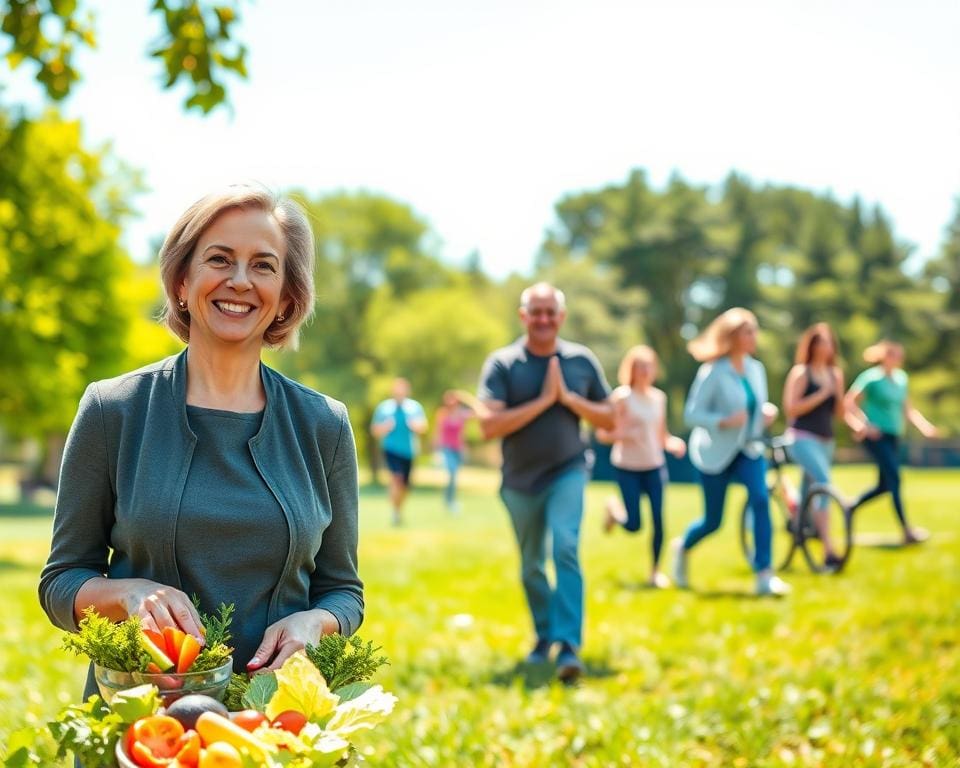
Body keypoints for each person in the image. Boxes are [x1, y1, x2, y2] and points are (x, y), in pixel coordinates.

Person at [39, 185, 363, 702]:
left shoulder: (323, 424)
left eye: (263, 265)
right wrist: (130, 595)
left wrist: (313, 624)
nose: (239, 280)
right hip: (140, 722)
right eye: (219, 259)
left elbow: (343, 593)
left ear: (286, 296)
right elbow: (60, 583)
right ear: (182, 280)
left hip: (278, 720)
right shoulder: (112, 409)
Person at [477, 282, 614, 682]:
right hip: (519, 482)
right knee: (532, 566)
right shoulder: (504, 363)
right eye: (535, 312)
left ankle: (569, 644)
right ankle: (544, 635)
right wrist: (543, 400)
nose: (543, 319)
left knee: (566, 546)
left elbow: (609, 418)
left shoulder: (581, 361)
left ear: (561, 317)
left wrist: (569, 400)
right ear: (523, 316)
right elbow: (488, 425)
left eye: (550, 312)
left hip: (568, 470)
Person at [674, 307, 790, 596]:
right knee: (713, 521)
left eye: (754, 330)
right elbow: (692, 414)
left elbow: (754, 404)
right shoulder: (713, 371)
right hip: (714, 453)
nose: (754, 337)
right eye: (748, 331)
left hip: (747, 448)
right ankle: (683, 547)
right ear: (732, 336)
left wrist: (765, 412)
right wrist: (722, 421)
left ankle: (764, 574)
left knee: (761, 499)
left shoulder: (756, 369)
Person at [596, 345, 686, 588]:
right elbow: (602, 434)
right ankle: (615, 511)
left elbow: (661, 435)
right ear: (631, 370)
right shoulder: (622, 397)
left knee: (659, 520)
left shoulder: (659, 398)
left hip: (654, 465)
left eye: (648, 366)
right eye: (640, 366)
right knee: (634, 525)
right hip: (627, 466)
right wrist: (622, 433)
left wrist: (672, 443)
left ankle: (655, 572)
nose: (645, 371)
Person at [844, 340, 940, 544]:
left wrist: (925, 427)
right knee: (895, 478)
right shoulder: (871, 378)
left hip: (894, 436)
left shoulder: (901, 379)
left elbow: (908, 410)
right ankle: (907, 530)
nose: (898, 359)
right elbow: (849, 402)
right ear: (885, 356)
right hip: (876, 437)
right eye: (894, 354)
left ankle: (851, 507)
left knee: (885, 485)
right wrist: (864, 424)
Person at [782, 323, 846, 567]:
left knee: (809, 491)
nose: (825, 347)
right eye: (820, 342)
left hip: (825, 440)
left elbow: (839, 413)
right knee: (823, 482)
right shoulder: (801, 372)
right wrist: (822, 393)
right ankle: (828, 549)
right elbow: (792, 408)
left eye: (829, 342)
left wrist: (838, 394)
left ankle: (797, 525)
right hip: (801, 438)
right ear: (812, 345)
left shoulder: (835, 374)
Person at [371, 378, 428, 526]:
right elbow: (375, 430)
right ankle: (395, 513)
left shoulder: (414, 407)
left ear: (407, 392)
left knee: (406, 485)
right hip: (391, 449)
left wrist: (415, 426)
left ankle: (398, 509)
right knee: (397, 478)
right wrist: (385, 427)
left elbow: (423, 427)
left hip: (409, 451)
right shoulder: (384, 408)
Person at [433, 390, 477, 513]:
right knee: (451, 473)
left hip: (459, 449)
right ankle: (450, 501)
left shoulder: (461, 414)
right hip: (447, 448)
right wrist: (436, 450)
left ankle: (449, 500)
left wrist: (465, 398)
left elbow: (478, 412)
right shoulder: (442, 413)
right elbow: (438, 432)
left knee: (454, 476)